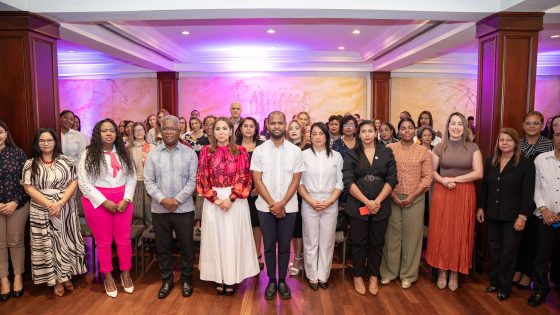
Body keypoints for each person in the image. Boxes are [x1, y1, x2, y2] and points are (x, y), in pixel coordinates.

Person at [197, 117, 259, 296]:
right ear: (213, 131)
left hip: (235, 201)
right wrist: (216, 200)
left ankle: (232, 278)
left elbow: (244, 177)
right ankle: (219, 277)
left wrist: (231, 199)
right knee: (216, 239)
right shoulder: (205, 151)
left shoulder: (240, 151)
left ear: (231, 131)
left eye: (225, 128)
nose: (221, 132)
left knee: (232, 239)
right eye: (218, 129)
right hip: (213, 202)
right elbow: (202, 178)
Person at [22, 128, 86, 296]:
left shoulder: (66, 161)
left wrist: (60, 203)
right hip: (41, 209)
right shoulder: (30, 164)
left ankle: (66, 276)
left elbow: (74, 181)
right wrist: (50, 204)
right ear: (37, 144)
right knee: (48, 244)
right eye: (42, 141)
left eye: (49, 140)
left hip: (65, 207)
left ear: (55, 142)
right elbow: (28, 187)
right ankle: (55, 279)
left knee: (64, 241)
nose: (46, 143)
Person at [78, 118, 136, 298]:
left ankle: (126, 274)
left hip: (122, 201)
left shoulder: (124, 153)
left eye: (111, 130)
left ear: (116, 134)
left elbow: (132, 178)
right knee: (103, 242)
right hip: (97, 202)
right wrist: (104, 201)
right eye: (104, 130)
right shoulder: (88, 154)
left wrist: (126, 199)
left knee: (124, 240)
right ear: (98, 134)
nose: (109, 133)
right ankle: (108, 277)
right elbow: (83, 182)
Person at [425, 112, 483, 291]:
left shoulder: (473, 147)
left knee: (460, 231)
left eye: (460, 124)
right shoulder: (439, 148)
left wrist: (455, 179)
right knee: (442, 230)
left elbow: (478, 173)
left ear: (464, 127)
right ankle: (442, 269)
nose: (456, 127)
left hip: (464, 193)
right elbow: (432, 171)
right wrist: (443, 180)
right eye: (453, 123)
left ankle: (455, 271)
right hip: (443, 191)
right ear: (448, 126)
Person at [476, 128, 535, 301]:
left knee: (509, 252)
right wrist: (481, 208)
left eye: (508, 140)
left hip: (514, 217)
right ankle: (494, 282)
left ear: (516, 143)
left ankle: (504, 286)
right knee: (494, 249)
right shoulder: (491, 162)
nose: (504, 143)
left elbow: (528, 193)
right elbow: (485, 187)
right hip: (493, 213)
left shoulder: (525, 163)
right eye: (501, 140)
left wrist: (523, 216)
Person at [251, 111, 304, 300]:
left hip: (289, 208)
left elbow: (296, 180)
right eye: (272, 123)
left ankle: (282, 280)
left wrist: (282, 204)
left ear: (285, 125)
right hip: (265, 207)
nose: (276, 127)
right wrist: (274, 204)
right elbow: (257, 179)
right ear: (268, 125)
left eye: (280, 123)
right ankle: (271, 281)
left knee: (284, 246)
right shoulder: (260, 150)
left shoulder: (295, 151)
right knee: (268, 246)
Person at [144, 115, 198, 299]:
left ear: (179, 131)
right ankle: (167, 280)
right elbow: (149, 182)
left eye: (172, 129)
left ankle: (186, 280)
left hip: (184, 209)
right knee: (163, 248)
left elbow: (193, 181)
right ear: (160, 131)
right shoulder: (153, 154)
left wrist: (177, 200)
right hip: (160, 210)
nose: (169, 132)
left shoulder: (189, 153)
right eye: (165, 128)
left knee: (186, 247)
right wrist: (163, 200)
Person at [343, 120, 397, 296]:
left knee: (376, 242)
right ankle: (358, 275)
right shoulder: (352, 154)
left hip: (380, 205)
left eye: (370, 131)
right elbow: (348, 181)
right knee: (358, 242)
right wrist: (367, 202)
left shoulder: (386, 152)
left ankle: (373, 276)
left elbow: (392, 180)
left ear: (376, 133)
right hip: (358, 204)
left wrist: (377, 201)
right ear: (359, 134)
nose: (367, 134)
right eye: (363, 131)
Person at [380, 118, 433, 289]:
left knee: (412, 237)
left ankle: (408, 275)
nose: (407, 131)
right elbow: (383, 173)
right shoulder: (389, 149)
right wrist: (393, 194)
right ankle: (389, 272)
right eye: (403, 128)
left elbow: (428, 177)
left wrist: (413, 195)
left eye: (411, 128)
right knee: (391, 236)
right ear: (399, 131)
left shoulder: (423, 151)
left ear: (415, 130)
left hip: (415, 198)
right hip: (392, 196)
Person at [299, 122, 343, 290]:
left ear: (327, 136)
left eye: (321, 134)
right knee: (311, 240)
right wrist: (310, 201)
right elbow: (299, 182)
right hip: (309, 201)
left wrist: (330, 201)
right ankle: (312, 276)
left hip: (330, 202)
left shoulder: (336, 156)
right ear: (310, 136)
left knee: (327, 241)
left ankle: (323, 275)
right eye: (314, 134)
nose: (317, 137)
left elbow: (340, 183)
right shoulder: (303, 155)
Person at [514, 111, 555, 289]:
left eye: (536, 123)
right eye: (528, 123)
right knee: (517, 237)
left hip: (539, 199)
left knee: (533, 238)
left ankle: (527, 273)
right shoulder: (517, 144)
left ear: (542, 125)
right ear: (523, 125)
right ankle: (516, 269)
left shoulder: (549, 146)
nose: (532, 126)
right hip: (518, 196)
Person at [528, 124, 560, 307]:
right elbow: (535, 187)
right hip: (543, 217)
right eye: (557, 135)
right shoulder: (541, 159)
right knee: (541, 257)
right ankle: (539, 290)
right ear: (552, 138)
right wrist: (544, 209)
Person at [0, 120, 29, 301]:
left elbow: (26, 181)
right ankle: (4, 279)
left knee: (15, 240)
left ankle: (18, 276)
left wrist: (15, 202)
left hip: (17, 204)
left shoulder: (17, 153)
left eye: (0, 132)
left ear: (6, 133)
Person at [236, 117, 265, 270]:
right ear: (240, 128)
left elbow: (268, 168)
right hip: (238, 192)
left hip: (258, 191)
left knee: (256, 224)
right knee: (240, 223)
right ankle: (242, 257)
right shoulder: (233, 146)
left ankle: (257, 256)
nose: (248, 129)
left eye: (251, 126)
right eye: (245, 126)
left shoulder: (262, 146)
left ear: (256, 129)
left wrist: (260, 187)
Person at [285, 119, 309, 276]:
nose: (293, 131)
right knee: (293, 228)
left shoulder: (307, 148)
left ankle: (300, 259)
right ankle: (297, 256)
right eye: (291, 128)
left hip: (305, 192)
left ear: (302, 131)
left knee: (301, 228)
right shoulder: (286, 148)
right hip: (289, 192)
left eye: (297, 128)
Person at [128, 122, 154, 227]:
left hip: (149, 182)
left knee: (149, 212)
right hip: (135, 182)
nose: (139, 132)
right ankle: (138, 238)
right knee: (137, 213)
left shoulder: (152, 147)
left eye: (141, 130)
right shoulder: (129, 149)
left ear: (145, 132)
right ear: (133, 133)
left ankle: (151, 235)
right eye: (136, 130)